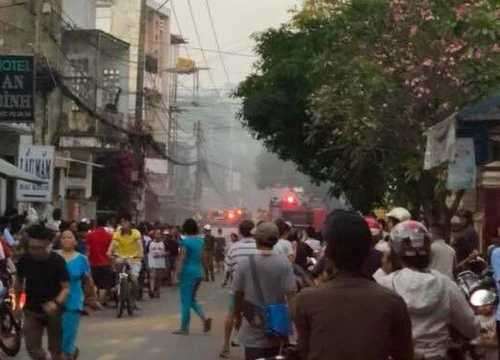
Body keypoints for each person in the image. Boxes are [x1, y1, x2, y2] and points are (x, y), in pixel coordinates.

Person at [295, 210, 413, 360]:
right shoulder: (392, 301)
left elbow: (305, 352)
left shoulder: (306, 301)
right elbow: (404, 354)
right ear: (368, 253)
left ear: (328, 255)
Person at [377, 220, 479, 359]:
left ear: (394, 253)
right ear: (429, 252)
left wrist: (383, 270)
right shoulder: (445, 284)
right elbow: (471, 328)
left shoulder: (383, 285)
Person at [232, 222, 296, 360]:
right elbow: (291, 296)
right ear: (276, 240)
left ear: (256, 239)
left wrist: (237, 317)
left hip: (252, 326)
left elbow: (237, 294)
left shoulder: (244, 264)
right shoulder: (285, 264)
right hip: (276, 329)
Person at [15, 223, 69, 360]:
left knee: (55, 351)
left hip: (54, 311)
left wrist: (56, 303)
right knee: (33, 350)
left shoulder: (57, 261)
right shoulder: (24, 260)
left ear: (48, 244)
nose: (35, 251)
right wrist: (17, 306)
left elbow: (66, 288)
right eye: (32, 247)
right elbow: (19, 283)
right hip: (32, 309)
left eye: (40, 248)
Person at [219, 220, 257, 359]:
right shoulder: (259, 247)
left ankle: (225, 347)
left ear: (240, 232)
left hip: (236, 288)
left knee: (232, 314)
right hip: (254, 289)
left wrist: (225, 282)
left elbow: (228, 269)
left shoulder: (233, 248)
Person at [172, 219, 212, 335]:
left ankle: (184, 327)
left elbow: (182, 259)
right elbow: (204, 258)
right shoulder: (201, 241)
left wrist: (176, 274)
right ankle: (204, 318)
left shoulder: (186, 242)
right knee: (192, 299)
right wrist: (205, 272)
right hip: (198, 272)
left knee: (185, 301)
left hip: (187, 273)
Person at [57, 230, 90, 360]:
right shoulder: (53, 256)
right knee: (56, 340)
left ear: (75, 241)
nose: (66, 240)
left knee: (67, 339)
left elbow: (88, 281)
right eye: (63, 237)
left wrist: (88, 299)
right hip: (54, 301)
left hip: (73, 302)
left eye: (69, 237)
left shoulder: (82, 259)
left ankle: (68, 353)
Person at [107, 214, 143, 307]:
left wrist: (141, 253)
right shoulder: (117, 233)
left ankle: (134, 300)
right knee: (118, 263)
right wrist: (109, 252)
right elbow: (113, 244)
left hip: (134, 258)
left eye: (126, 221)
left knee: (134, 280)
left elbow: (140, 244)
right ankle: (118, 282)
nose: (124, 224)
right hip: (122, 256)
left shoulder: (135, 233)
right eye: (122, 222)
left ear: (130, 223)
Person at [86, 216, 113, 305]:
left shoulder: (90, 235)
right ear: (105, 224)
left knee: (93, 283)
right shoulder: (109, 236)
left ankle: (94, 301)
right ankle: (100, 302)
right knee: (104, 285)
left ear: (96, 224)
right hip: (105, 263)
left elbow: (88, 250)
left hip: (92, 263)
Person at [148, 228, 166, 298]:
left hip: (160, 263)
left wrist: (162, 254)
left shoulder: (163, 243)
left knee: (158, 277)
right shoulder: (150, 243)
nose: (157, 235)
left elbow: (168, 252)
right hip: (152, 262)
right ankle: (151, 290)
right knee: (152, 276)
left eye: (159, 234)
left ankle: (157, 291)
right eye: (156, 234)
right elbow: (147, 253)